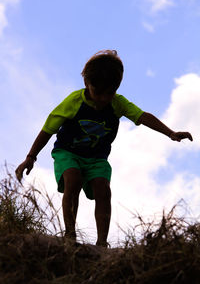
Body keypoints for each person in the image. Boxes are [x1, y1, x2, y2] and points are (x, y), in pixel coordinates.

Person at [15, 50, 193, 247]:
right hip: (68, 152)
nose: (102, 99)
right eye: (96, 92)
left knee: (103, 189)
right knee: (73, 179)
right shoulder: (73, 102)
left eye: (108, 93)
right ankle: (70, 236)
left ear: (116, 88)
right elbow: (48, 129)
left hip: (97, 158)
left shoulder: (118, 104)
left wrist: (170, 133)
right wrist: (31, 157)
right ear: (86, 84)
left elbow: (143, 117)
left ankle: (101, 244)